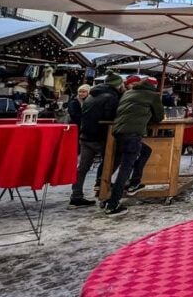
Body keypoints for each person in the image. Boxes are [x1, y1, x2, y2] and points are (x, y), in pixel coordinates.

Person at [103, 75, 163, 216]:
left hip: (118, 131)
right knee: (125, 167)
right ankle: (113, 204)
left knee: (145, 150)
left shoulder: (128, 93)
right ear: (153, 87)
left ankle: (134, 182)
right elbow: (159, 116)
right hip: (133, 133)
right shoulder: (152, 96)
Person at [69, 73, 123, 208]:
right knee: (114, 159)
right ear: (117, 84)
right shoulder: (111, 97)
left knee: (83, 167)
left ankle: (76, 196)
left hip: (86, 134)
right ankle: (102, 185)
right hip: (101, 136)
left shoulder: (92, 95)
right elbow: (110, 116)